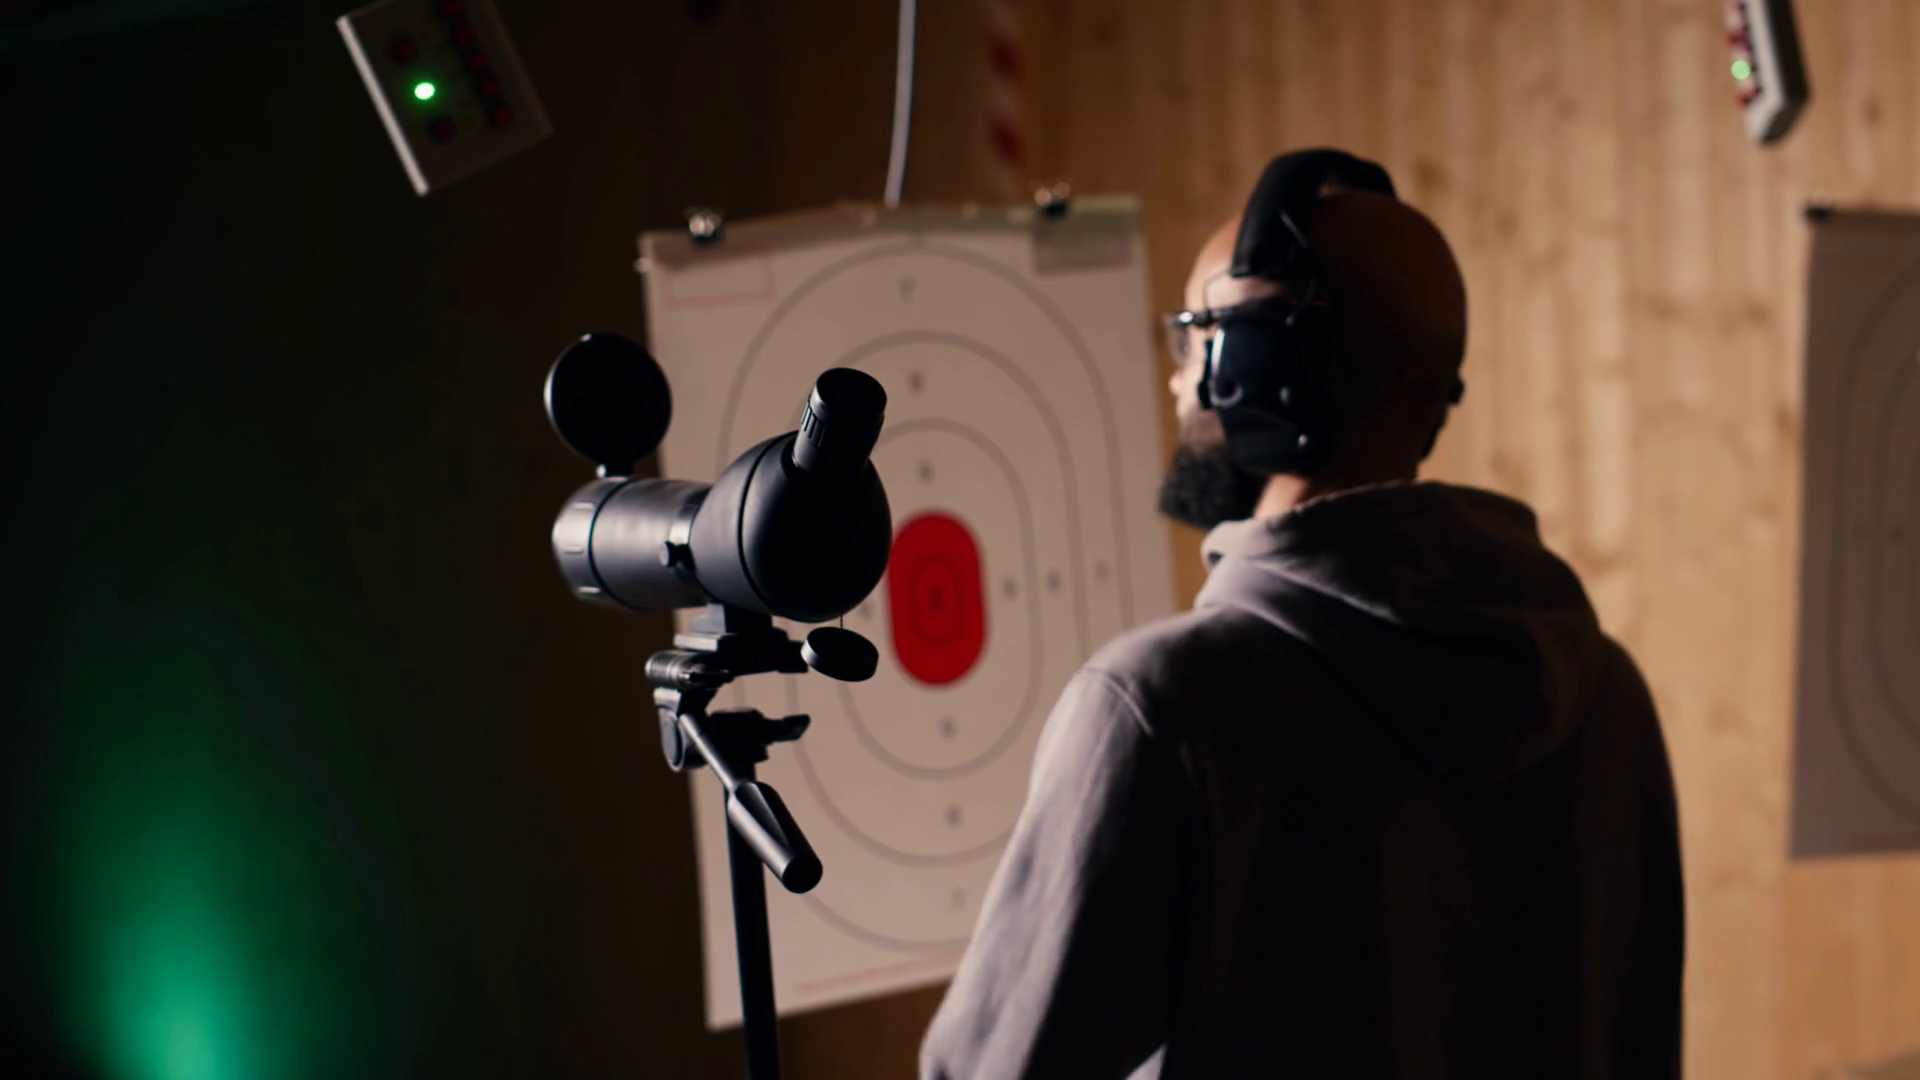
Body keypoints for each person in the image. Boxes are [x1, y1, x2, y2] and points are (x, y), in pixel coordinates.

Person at [918, 149, 1685, 1079]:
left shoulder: (1159, 706)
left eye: (1194, 337)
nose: (1177, 379)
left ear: (1252, 367)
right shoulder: (1606, 692)